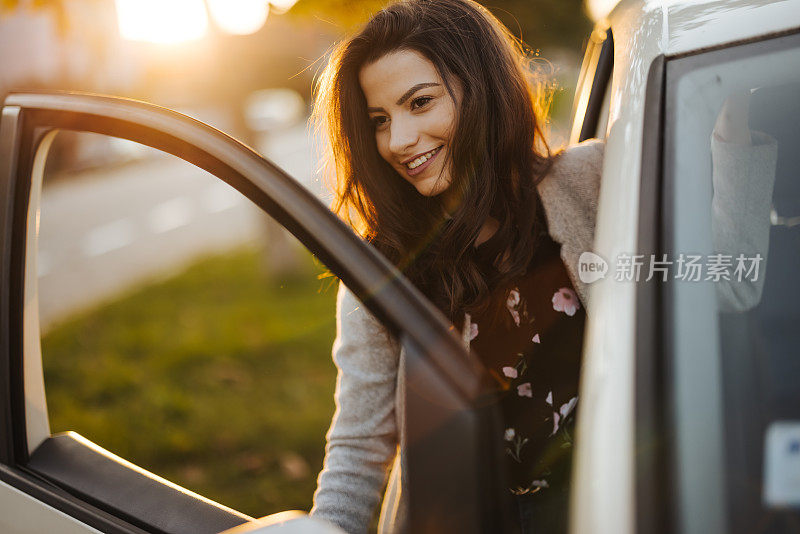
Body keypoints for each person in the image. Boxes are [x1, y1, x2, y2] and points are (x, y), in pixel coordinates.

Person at [308, 1, 778, 533]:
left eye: (420, 102)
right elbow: (360, 440)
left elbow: (730, 284)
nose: (398, 140)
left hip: (617, 506)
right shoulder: (383, 263)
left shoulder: (592, 180)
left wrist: (733, 127)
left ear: (483, 89)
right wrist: (325, 528)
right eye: (379, 121)